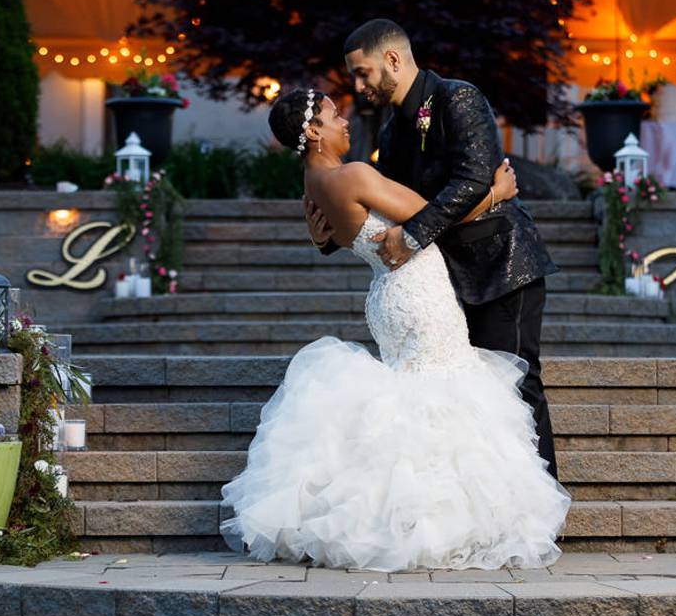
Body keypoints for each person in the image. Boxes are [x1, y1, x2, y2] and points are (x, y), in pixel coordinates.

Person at [218, 89, 571, 571]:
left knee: (416, 401)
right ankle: (437, 522)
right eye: (332, 114)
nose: (345, 121)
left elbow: (338, 236)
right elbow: (431, 216)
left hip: (389, 296)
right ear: (314, 131)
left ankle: (406, 514)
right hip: (417, 291)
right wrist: (496, 194)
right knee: (442, 400)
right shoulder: (354, 174)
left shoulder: (313, 185)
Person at [307, 19, 561, 478]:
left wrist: (412, 235)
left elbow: (473, 178)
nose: (358, 85)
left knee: (517, 388)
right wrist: (330, 236)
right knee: (473, 401)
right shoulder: (389, 132)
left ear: (393, 59)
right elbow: (391, 209)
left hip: (501, 266)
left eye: (362, 73)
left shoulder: (455, 98)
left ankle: (544, 511)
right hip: (442, 283)